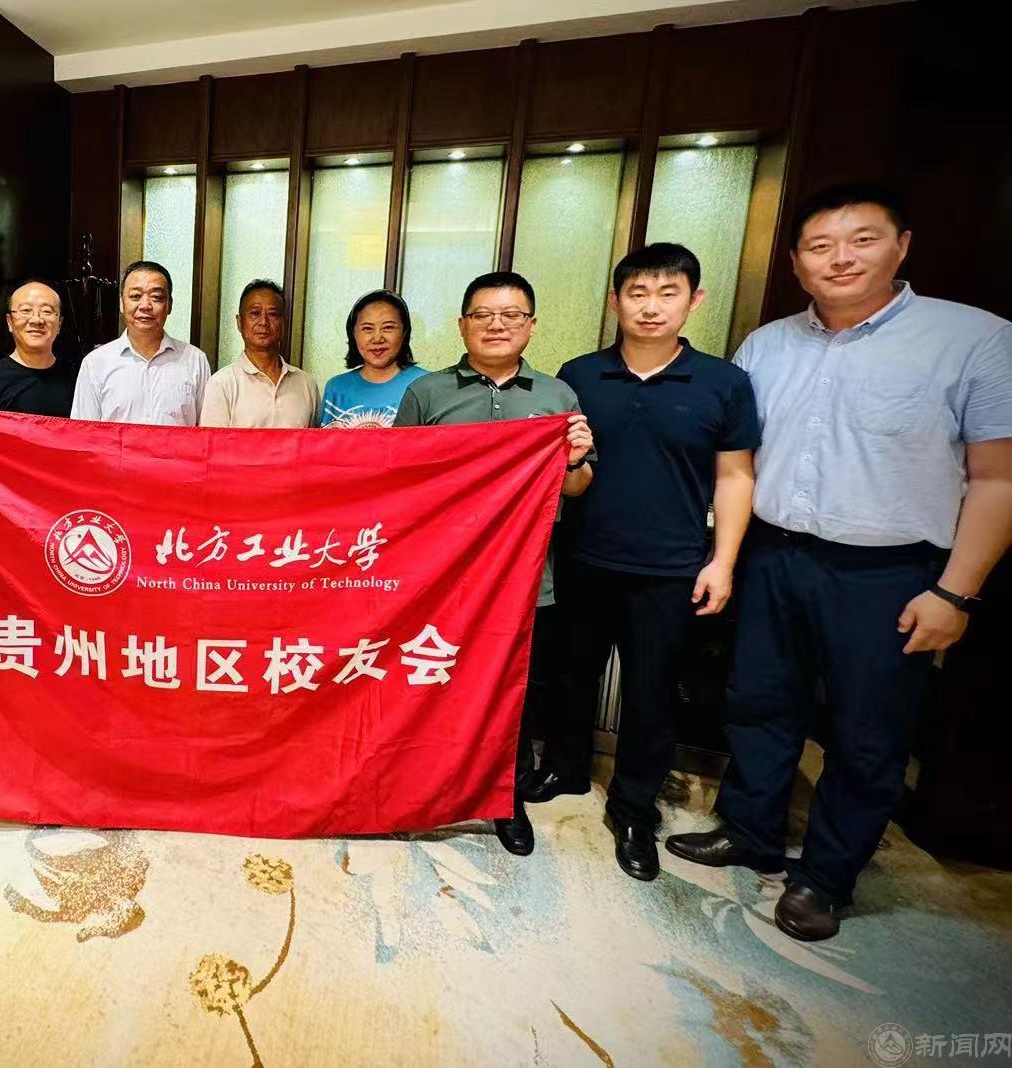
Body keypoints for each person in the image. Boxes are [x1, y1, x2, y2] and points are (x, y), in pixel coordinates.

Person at [667, 183, 1012, 941]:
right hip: (774, 553)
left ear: (902, 246)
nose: (841, 259)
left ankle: (826, 876)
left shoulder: (975, 339)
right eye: (820, 246)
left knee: (866, 731)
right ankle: (750, 830)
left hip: (890, 568)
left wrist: (956, 593)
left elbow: (998, 480)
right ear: (796, 261)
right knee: (758, 703)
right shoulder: (767, 345)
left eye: (862, 240)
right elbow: (737, 462)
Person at [543, 243, 759, 883]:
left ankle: (634, 807)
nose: (651, 307)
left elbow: (736, 476)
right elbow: (561, 466)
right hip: (583, 556)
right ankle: (565, 769)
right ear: (616, 302)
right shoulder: (578, 375)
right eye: (638, 293)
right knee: (571, 675)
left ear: (695, 301)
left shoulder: (723, 382)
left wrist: (723, 562)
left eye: (669, 293)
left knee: (652, 692)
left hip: (671, 568)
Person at [395, 271, 595, 858]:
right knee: (432, 681)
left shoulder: (556, 397)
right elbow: (396, 480)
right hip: (441, 577)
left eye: (511, 315)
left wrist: (575, 458)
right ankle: (419, 786)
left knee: (514, 694)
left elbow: (577, 486)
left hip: (525, 577)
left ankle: (504, 800)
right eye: (483, 315)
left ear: (531, 325)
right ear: (463, 325)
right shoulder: (427, 393)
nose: (497, 325)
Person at [70, 260, 211, 425]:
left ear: (169, 305)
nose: (145, 306)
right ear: (121, 303)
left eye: (156, 297)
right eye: (135, 296)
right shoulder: (95, 363)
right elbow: (83, 433)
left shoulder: (195, 360)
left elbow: (207, 432)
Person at [201, 279, 320, 428]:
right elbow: (214, 442)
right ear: (239, 322)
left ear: (284, 323)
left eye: (273, 314)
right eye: (255, 313)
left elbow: (315, 441)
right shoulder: (222, 384)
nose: (263, 322)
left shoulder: (306, 384)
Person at [319, 290, 428, 427]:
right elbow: (326, 440)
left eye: (388, 327)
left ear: (405, 332)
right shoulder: (336, 388)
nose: (377, 338)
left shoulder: (426, 385)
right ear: (353, 334)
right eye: (367, 328)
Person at [0, 280, 78, 417]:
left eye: (46, 311)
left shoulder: (77, 378)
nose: (36, 320)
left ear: (59, 324)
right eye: (26, 310)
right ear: (10, 322)